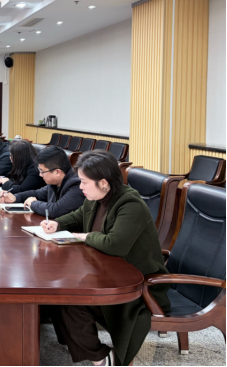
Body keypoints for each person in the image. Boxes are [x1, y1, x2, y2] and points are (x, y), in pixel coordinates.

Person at [42, 151, 171, 366]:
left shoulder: (130, 204)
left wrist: (85, 236)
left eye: (84, 182)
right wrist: (58, 224)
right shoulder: (97, 198)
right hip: (108, 274)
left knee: (70, 300)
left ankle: (101, 358)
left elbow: (114, 244)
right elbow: (78, 215)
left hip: (138, 287)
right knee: (59, 294)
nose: (80, 187)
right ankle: (82, 346)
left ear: (103, 182)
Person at [0, 146, 85, 218]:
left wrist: (33, 204)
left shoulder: (77, 185)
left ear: (57, 172)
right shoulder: (55, 183)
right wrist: (16, 197)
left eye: (42, 171)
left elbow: (55, 210)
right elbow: (37, 193)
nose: (40, 175)